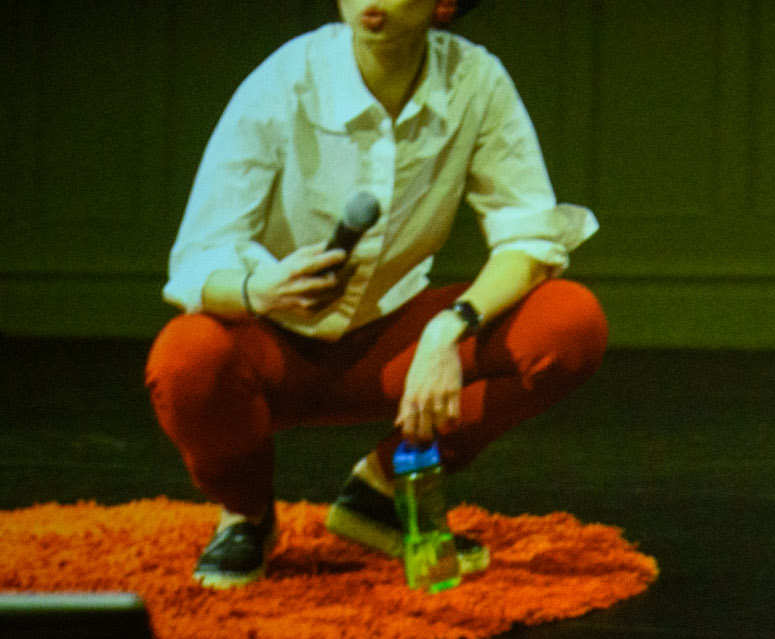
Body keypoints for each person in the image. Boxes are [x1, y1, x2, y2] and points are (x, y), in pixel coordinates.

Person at [147, 0, 607, 590]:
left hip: (390, 357)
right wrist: (258, 291)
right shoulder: (285, 80)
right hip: (271, 352)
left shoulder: (476, 81)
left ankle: (382, 490)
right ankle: (246, 514)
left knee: (569, 321)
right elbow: (197, 260)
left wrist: (449, 328)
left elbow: (529, 236)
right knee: (186, 355)